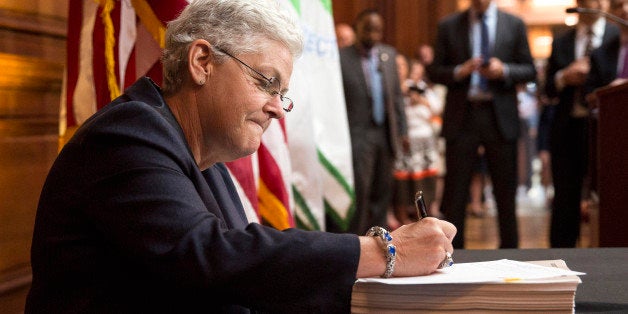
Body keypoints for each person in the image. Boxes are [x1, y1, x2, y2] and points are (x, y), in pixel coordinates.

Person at [25, 1, 456, 312]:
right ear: (202, 61)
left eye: (281, 94)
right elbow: (213, 256)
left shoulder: (202, 157)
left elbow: (254, 277)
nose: (275, 107)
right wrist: (387, 252)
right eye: (267, 82)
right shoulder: (126, 136)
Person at [429, 0, 537, 249]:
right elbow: (434, 71)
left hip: (499, 117)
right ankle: (452, 257)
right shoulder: (449, 25)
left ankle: (512, 256)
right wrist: (460, 71)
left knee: (505, 196)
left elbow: (530, 70)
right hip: (463, 116)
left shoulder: (514, 24)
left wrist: (504, 70)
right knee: (455, 197)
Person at [545, 0, 619, 248]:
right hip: (568, 128)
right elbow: (546, 88)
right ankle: (562, 257)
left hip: (606, 130)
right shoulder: (561, 40)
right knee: (565, 198)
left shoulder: (617, 35)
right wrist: (564, 77)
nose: (593, 3)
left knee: (607, 197)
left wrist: (594, 76)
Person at [337, 9, 409, 234]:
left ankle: (379, 241)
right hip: (357, 134)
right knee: (360, 192)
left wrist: (403, 131)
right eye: (367, 28)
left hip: (385, 134)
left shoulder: (388, 55)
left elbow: (397, 98)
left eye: (377, 29)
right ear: (357, 28)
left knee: (383, 191)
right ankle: (356, 243)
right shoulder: (341, 57)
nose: (372, 34)